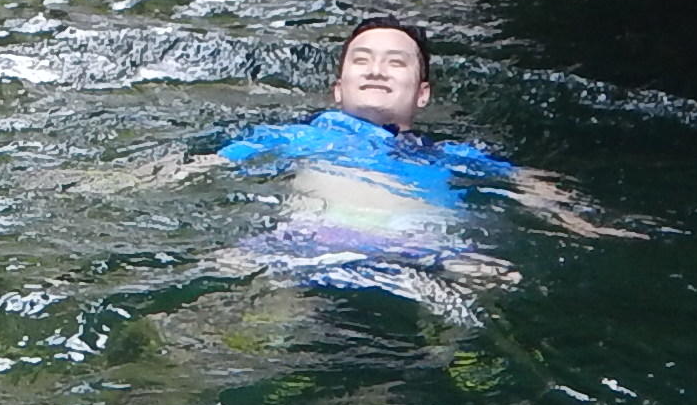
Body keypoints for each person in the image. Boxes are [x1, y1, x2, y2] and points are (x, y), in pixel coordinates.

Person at [203, 18, 622, 302]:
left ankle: (465, 379)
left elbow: (525, 182)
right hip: (313, 239)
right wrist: (139, 180)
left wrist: (582, 221)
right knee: (228, 271)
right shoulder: (297, 136)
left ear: (422, 93)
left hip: (423, 249)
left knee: (499, 280)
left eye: (395, 62)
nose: (376, 71)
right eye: (361, 60)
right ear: (338, 88)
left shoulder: (450, 154)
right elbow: (204, 165)